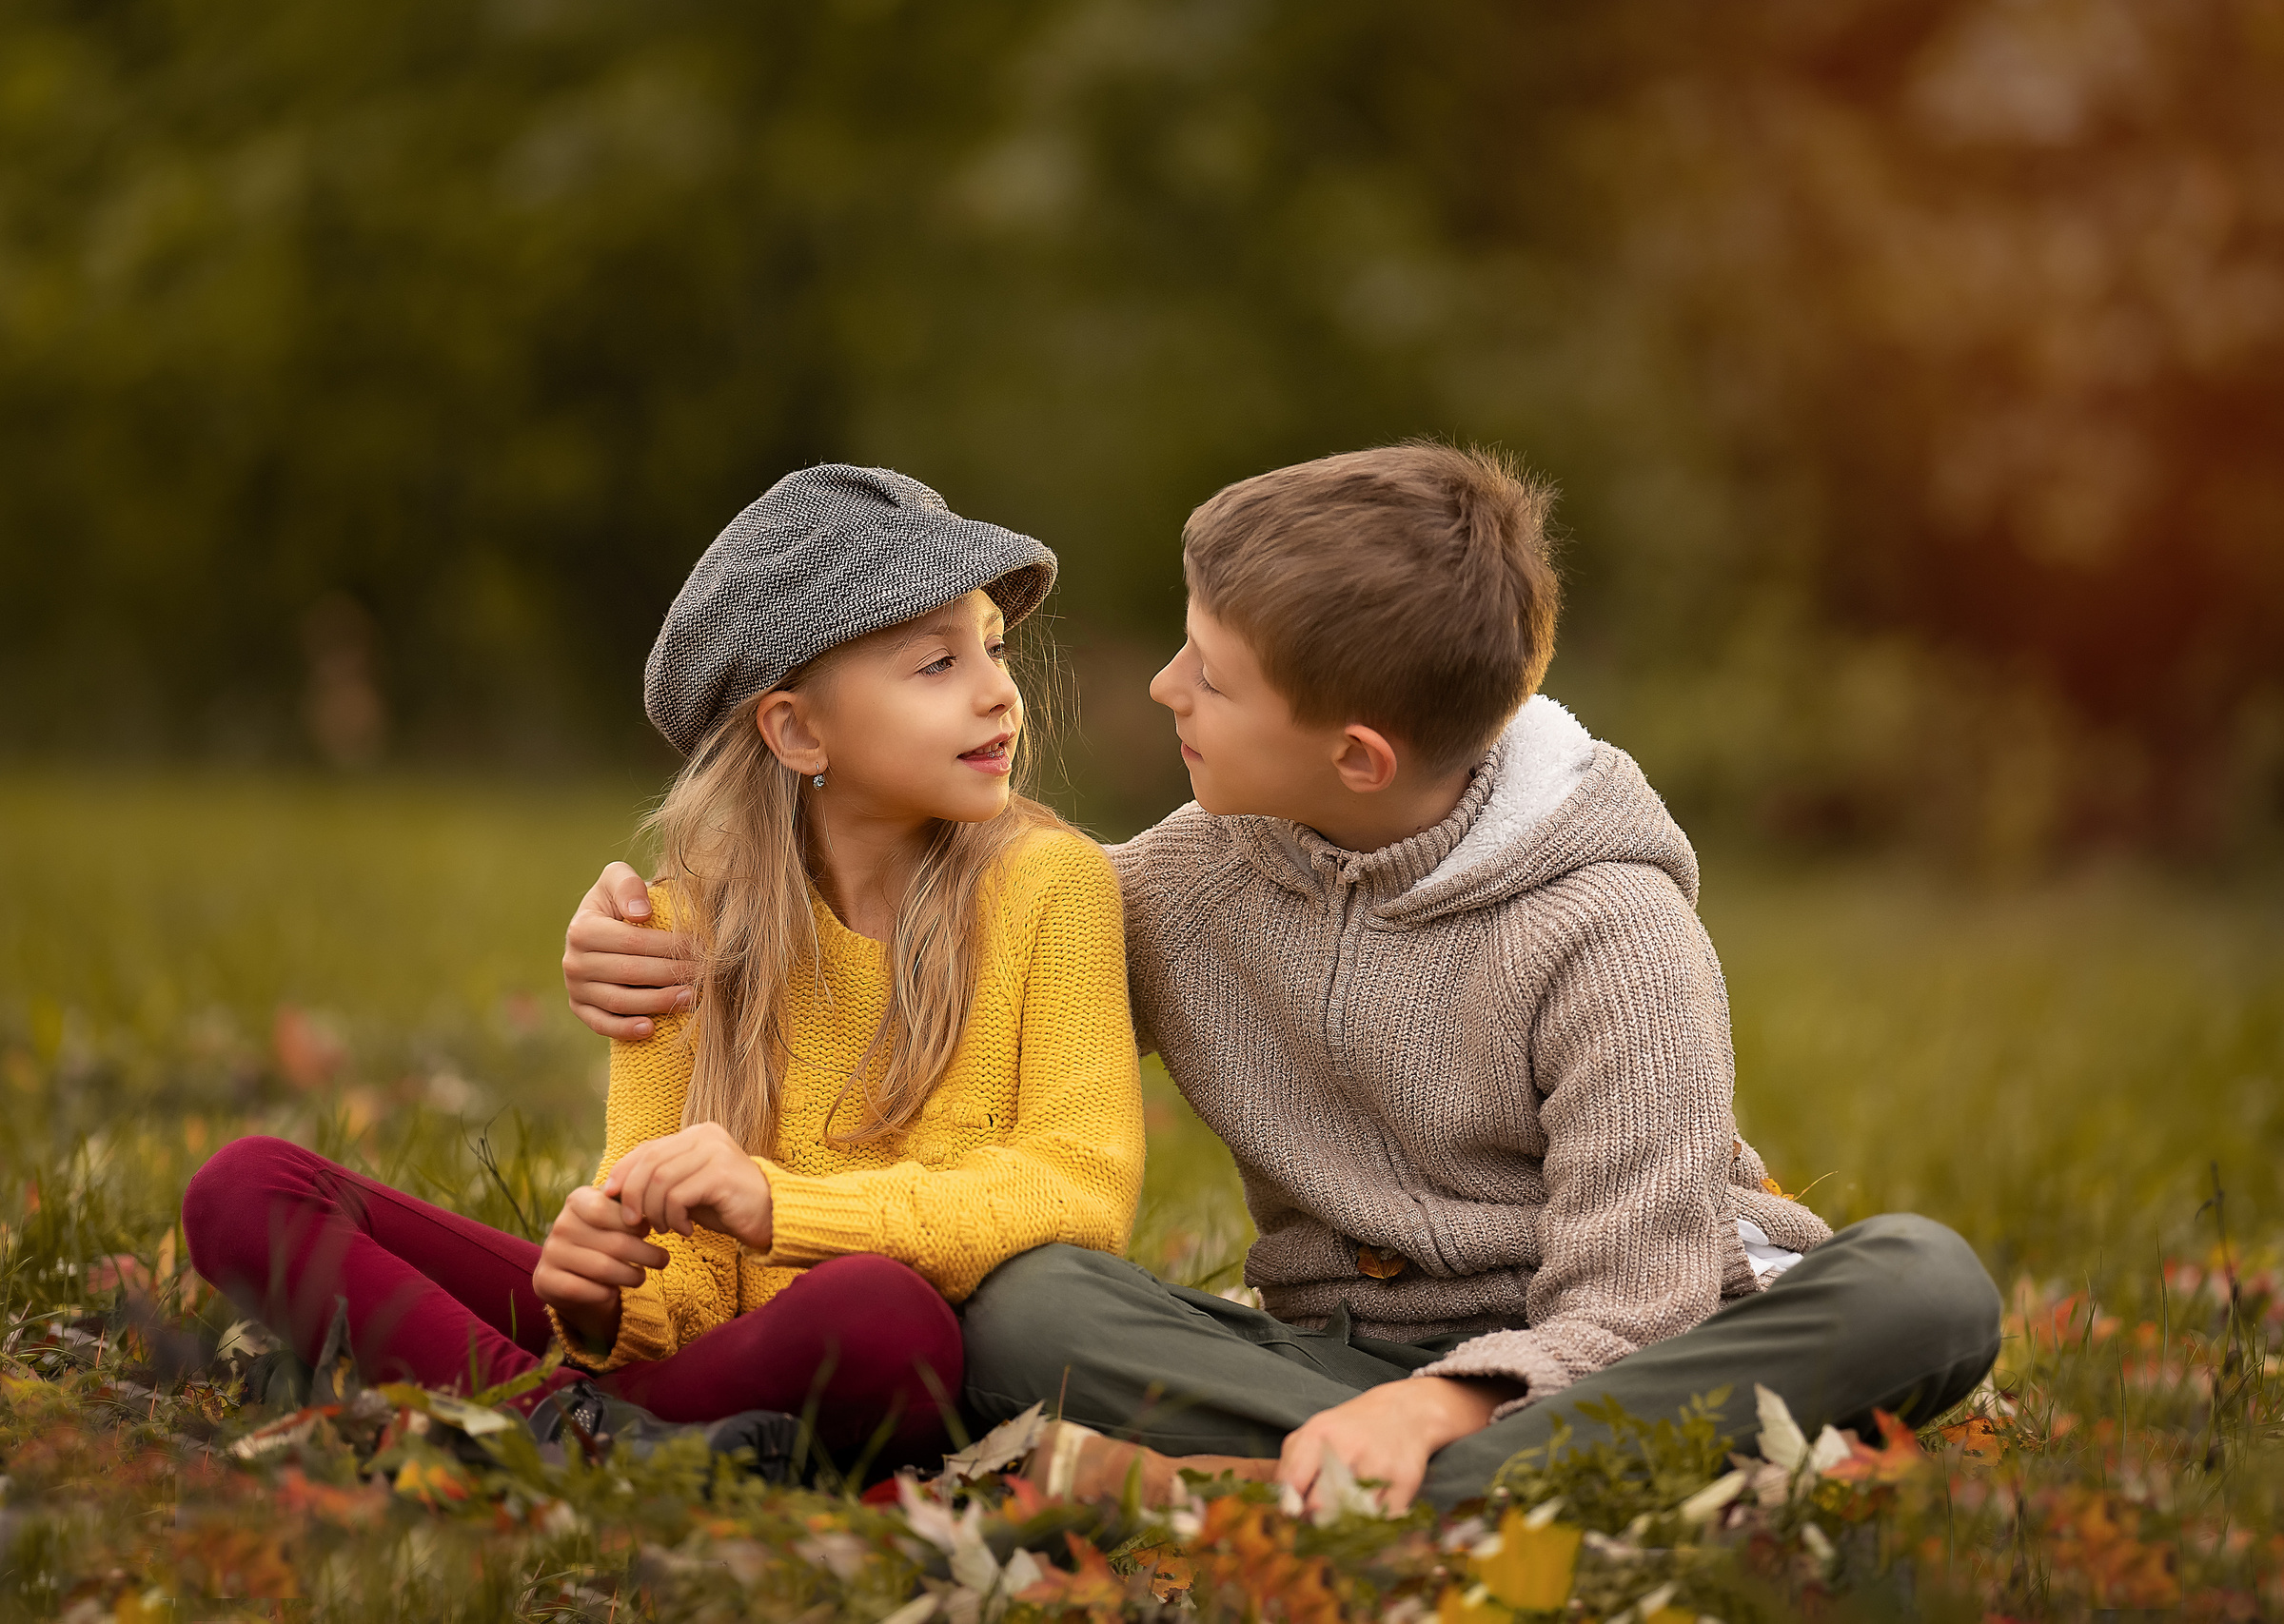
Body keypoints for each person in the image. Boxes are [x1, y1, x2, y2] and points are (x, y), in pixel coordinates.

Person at [562, 444, 2002, 1512]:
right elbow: (954, 960)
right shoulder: (1192, 877)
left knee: (1925, 1282)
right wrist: (685, 933)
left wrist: (1451, 1405)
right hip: (1329, 1368)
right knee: (1027, 1302)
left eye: (1210, 673)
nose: (1160, 690)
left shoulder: (1613, 937)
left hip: (1639, 1340)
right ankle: (1453, 1483)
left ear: (1354, 756)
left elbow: (1642, 1293)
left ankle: (1440, 1486)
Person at [187, 464, 1145, 1468]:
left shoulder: (1051, 886)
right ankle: (575, 1440)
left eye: (993, 647)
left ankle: (529, 1425)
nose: (1000, 691)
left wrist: (783, 1206)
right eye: (936, 666)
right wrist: (595, 1294)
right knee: (244, 1184)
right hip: (697, 1369)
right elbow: (677, 1291)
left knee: (883, 1316)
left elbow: (1078, 1189)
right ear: (797, 729)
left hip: (878, 1354)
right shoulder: (686, 934)